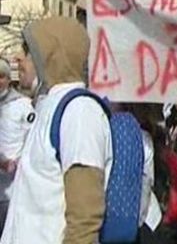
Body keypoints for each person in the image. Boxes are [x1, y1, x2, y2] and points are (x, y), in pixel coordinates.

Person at [1, 17, 112, 244]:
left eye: (28, 50)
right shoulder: (49, 105)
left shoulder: (79, 111)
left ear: (51, 55)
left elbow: (84, 217)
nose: (19, 59)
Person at [0, 58, 34, 234]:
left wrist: (17, 162)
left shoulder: (23, 105)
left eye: (2, 76)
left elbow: (33, 139)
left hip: (12, 190)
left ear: (8, 79)